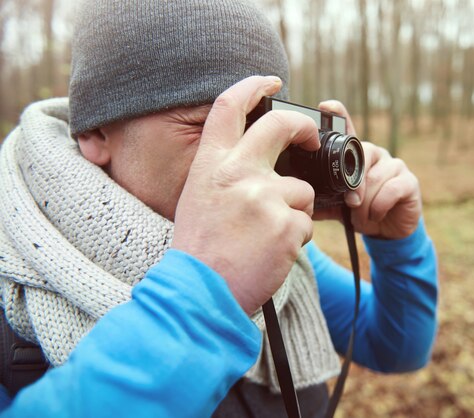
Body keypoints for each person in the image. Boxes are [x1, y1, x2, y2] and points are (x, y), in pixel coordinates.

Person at [0, 0, 438, 417]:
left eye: (260, 127)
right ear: (95, 133)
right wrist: (206, 293)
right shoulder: (11, 286)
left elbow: (396, 347)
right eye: (205, 125)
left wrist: (398, 243)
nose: (244, 158)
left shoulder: (277, 255)